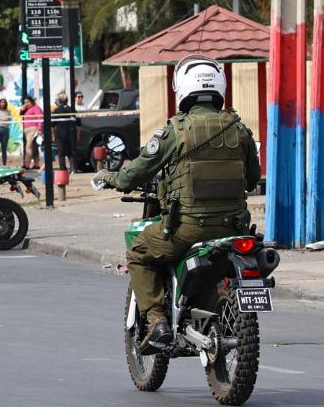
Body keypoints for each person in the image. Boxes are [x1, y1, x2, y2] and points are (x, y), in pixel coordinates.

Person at [99, 55, 261, 352]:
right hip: (234, 229)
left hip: (188, 229)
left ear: (183, 89)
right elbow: (253, 179)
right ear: (219, 88)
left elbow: (134, 174)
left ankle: (158, 320)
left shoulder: (176, 130)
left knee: (138, 253)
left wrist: (110, 177)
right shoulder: (239, 130)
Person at [51, 92, 79, 171]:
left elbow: (52, 125)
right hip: (71, 134)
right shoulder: (72, 110)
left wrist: (53, 135)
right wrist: (77, 135)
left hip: (60, 135)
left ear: (59, 101)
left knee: (61, 154)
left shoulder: (56, 110)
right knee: (72, 153)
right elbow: (78, 125)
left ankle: (63, 170)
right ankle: (73, 169)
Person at [20, 96, 43, 170]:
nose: (26, 104)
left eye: (27, 102)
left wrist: (39, 129)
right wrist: (22, 108)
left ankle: (26, 164)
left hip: (33, 129)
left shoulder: (36, 108)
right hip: (27, 130)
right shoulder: (27, 110)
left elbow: (40, 118)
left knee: (28, 147)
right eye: (25, 102)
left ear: (31, 101)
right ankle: (36, 164)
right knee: (34, 148)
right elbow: (21, 115)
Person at [0, 98, 11, 166]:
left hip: (5, 130)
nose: (2, 104)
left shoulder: (8, 111)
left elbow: (9, 120)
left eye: (4, 102)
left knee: (4, 149)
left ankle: (4, 164)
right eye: (1, 102)